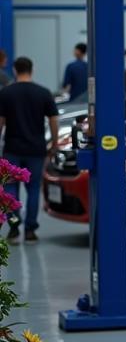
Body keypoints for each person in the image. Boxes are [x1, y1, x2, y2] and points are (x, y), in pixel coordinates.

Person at [0, 57, 59, 243]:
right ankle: (31, 230)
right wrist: (55, 142)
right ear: (31, 70)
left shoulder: (6, 93)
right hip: (36, 149)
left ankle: (14, 227)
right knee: (33, 189)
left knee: (10, 189)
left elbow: (0, 122)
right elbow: (54, 119)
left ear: (15, 70)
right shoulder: (43, 93)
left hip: (12, 149)